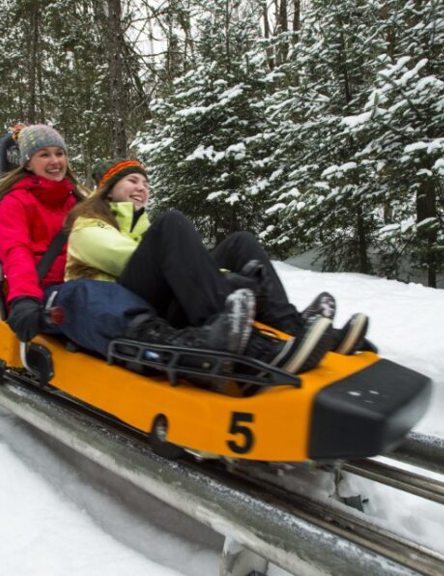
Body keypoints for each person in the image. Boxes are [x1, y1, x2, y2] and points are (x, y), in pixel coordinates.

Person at [64, 158, 367, 373]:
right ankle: (228, 334)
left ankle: (294, 327)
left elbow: (183, 266)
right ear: (108, 189)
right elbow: (125, 260)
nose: (142, 187)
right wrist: (228, 280)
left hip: (158, 298)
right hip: (123, 309)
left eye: (145, 182)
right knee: (173, 224)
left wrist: (227, 278)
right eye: (132, 180)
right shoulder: (87, 225)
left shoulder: (143, 227)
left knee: (240, 243)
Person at [0, 125, 254, 362]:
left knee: (111, 288)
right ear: (28, 163)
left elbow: (124, 239)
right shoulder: (15, 202)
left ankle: (245, 329)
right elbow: (15, 251)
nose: (55, 161)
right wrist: (23, 298)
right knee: (89, 294)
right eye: (44, 155)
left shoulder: (80, 198)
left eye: (59, 153)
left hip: (97, 277)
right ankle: (173, 345)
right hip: (47, 291)